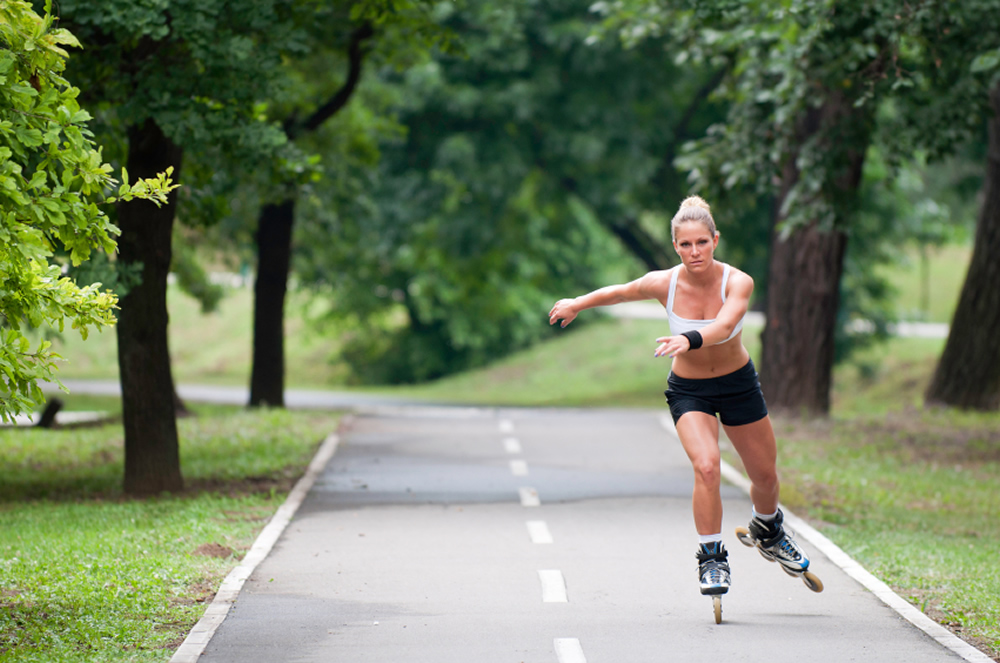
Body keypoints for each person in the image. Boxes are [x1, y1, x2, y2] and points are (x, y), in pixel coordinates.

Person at [547, 195, 811, 598]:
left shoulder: (737, 281)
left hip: (738, 383)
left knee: (764, 475)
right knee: (707, 466)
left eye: (701, 243)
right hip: (690, 391)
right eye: (685, 245)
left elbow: (724, 326)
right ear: (675, 246)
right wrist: (577, 304)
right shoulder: (664, 282)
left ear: (715, 240)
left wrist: (688, 339)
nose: (694, 252)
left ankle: (768, 529)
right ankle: (711, 558)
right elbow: (621, 291)